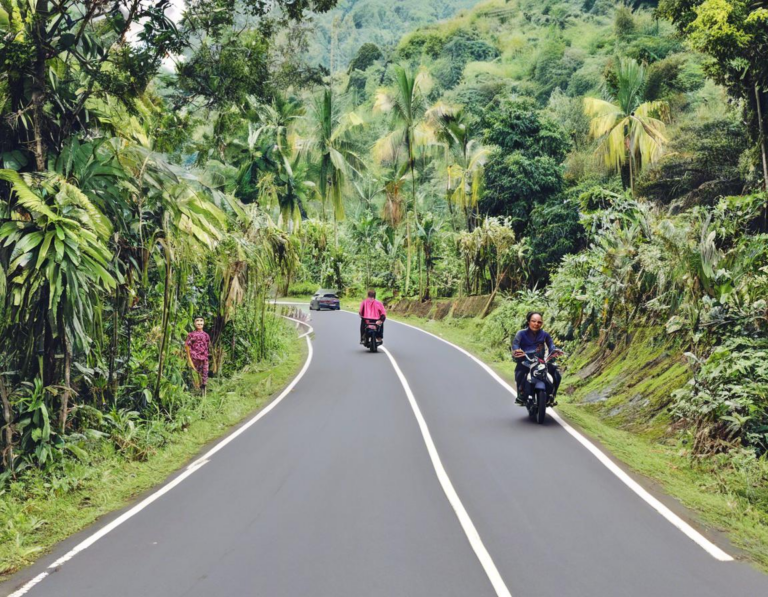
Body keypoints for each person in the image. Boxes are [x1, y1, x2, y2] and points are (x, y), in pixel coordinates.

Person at [511, 311, 561, 404]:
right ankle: (521, 394)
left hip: (541, 362)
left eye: (539, 322)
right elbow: (515, 345)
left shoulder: (545, 335)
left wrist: (554, 351)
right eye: (533, 321)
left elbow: (551, 345)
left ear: (541, 323)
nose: (536, 324)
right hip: (526, 361)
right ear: (528, 321)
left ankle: (552, 395)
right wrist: (517, 351)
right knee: (520, 372)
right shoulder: (521, 333)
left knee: (557, 373)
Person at [185, 316, 211, 393]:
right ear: (194, 323)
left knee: (204, 380)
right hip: (195, 360)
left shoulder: (206, 335)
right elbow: (187, 347)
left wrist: (206, 358)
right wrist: (190, 360)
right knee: (195, 380)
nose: (199, 322)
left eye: (201, 321)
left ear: (203, 323)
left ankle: (204, 399)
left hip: (204, 360)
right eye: (197, 321)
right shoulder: (191, 335)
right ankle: (194, 397)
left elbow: (207, 347)